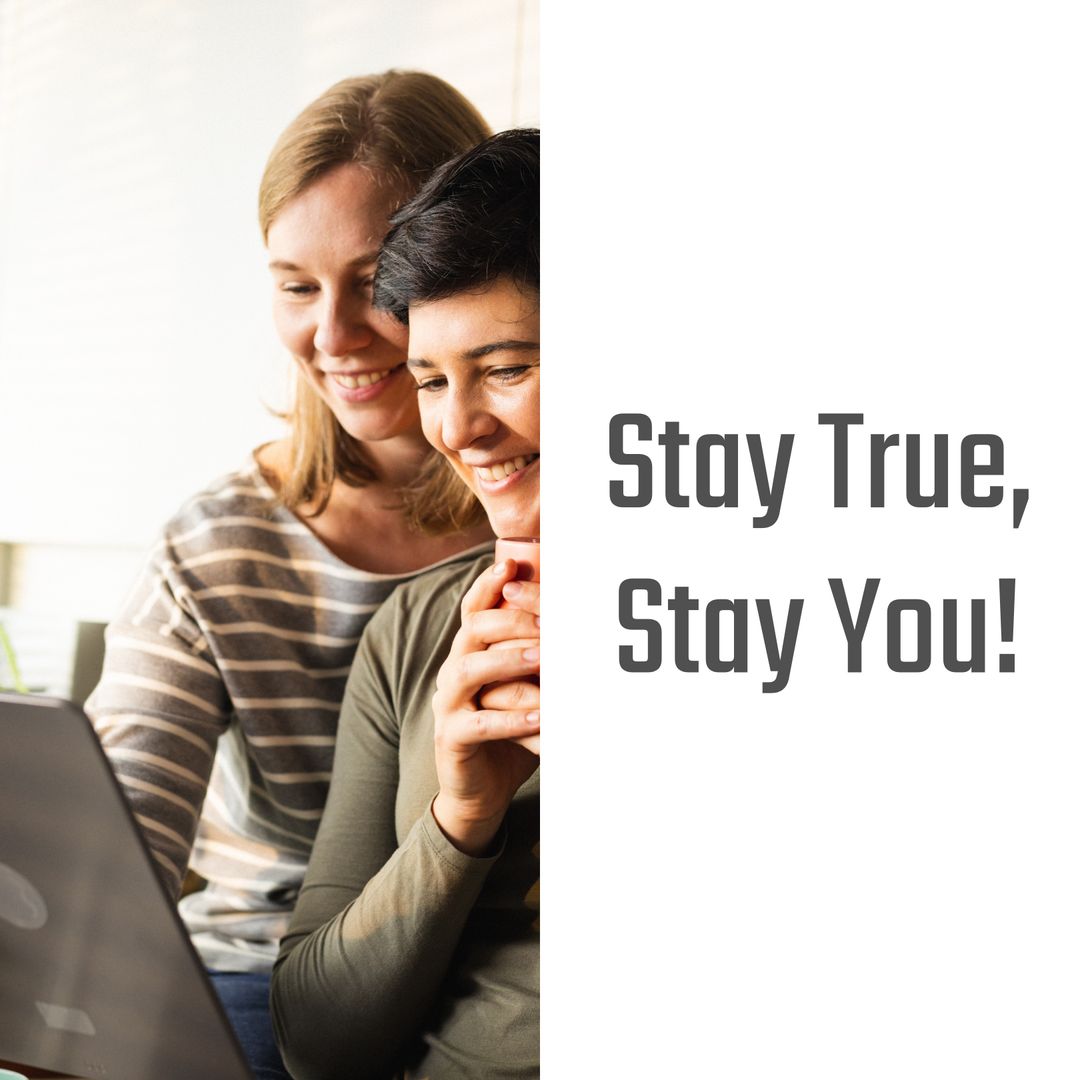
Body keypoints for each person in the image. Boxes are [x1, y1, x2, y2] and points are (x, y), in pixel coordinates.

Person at [85, 72, 493, 1080]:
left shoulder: (549, 518)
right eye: (297, 286)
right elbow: (117, 847)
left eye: (375, 277)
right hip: (265, 976)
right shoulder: (216, 548)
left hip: (485, 966)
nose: (335, 334)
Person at [270, 129, 541, 1080]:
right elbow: (313, 1043)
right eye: (431, 380)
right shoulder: (417, 632)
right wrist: (459, 818)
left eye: (506, 369)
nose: (458, 428)